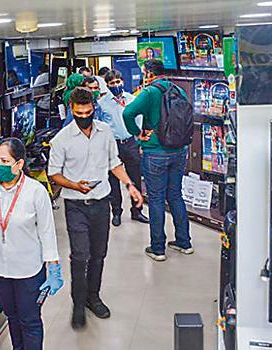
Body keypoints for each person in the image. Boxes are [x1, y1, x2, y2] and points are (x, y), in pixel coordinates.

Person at [49, 87, 143, 330]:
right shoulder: (61, 139)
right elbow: (54, 174)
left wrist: (130, 185)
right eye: (79, 113)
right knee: (80, 256)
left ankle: (93, 297)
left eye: (88, 112)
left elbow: (114, 163)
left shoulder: (105, 132)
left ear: (94, 109)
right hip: (76, 206)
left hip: (101, 204)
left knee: (99, 254)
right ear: (72, 110)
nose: (83, 116)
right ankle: (78, 304)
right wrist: (74, 185)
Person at [0, 137, 62, 350]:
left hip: (29, 271)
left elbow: (47, 232)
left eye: (5, 161)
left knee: (30, 320)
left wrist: (53, 267)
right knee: (12, 317)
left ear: (19, 164)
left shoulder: (35, 192)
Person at [122, 59, 193, 262]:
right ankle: (183, 242)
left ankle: (158, 248)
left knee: (155, 199)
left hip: (155, 152)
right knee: (175, 196)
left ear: (149, 73)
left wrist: (137, 133)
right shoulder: (179, 90)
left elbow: (128, 112)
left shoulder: (150, 92)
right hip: (179, 151)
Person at [98, 70, 149, 226]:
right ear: (107, 85)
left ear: (123, 82)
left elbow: (139, 119)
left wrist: (139, 140)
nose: (116, 85)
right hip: (113, 145)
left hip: (131, 143)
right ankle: (116, 212)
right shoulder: (103, 103)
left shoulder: (132, 99)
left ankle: (137, 211)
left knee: (135, 179)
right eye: (112, 83)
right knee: (113, 180)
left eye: (118, 81)